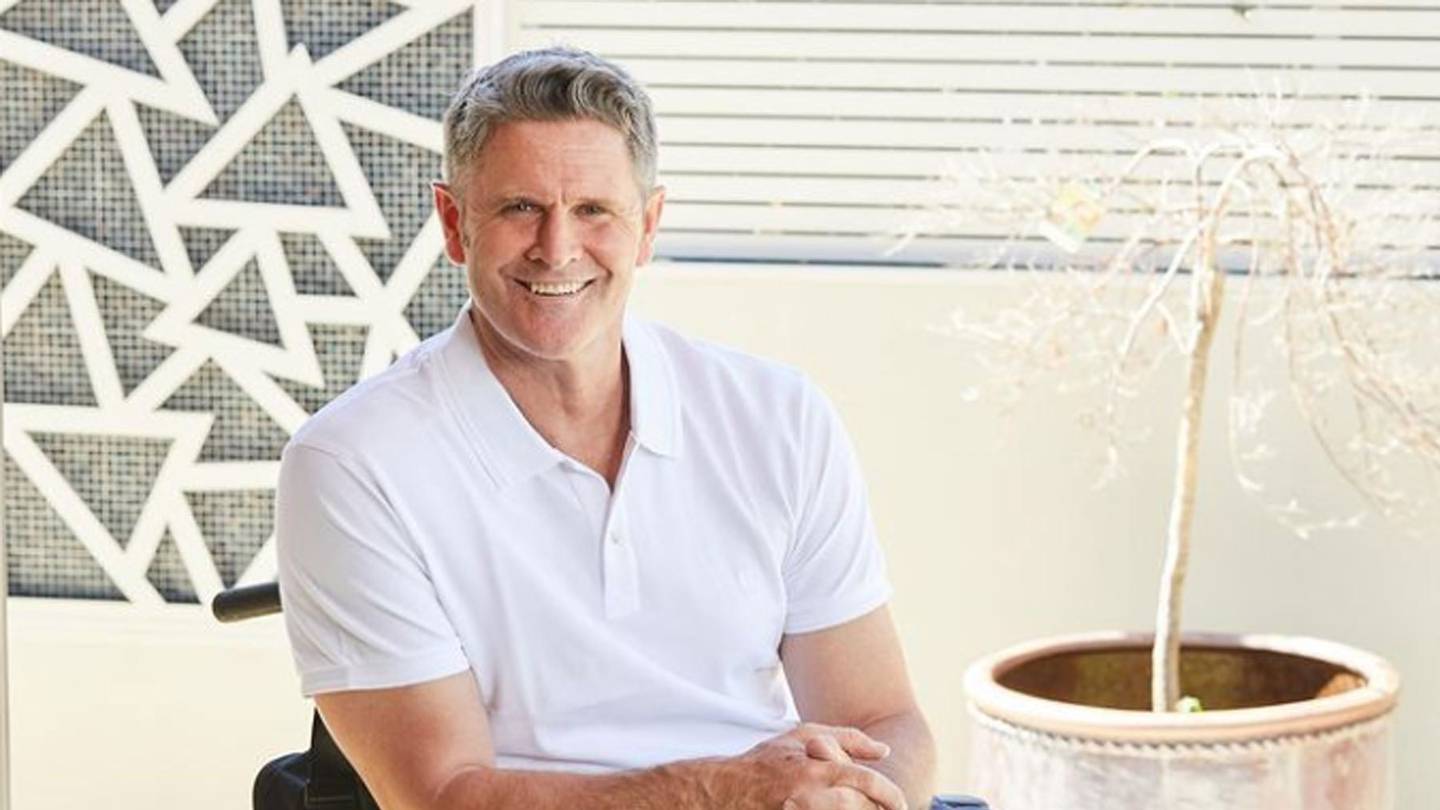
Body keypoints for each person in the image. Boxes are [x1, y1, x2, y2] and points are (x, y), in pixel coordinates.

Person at [275, 47, 937, 810]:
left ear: (647, 226)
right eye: (520, 208)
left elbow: (880, 721)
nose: (557, 249)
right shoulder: (352, 462)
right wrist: (721, 792)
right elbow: (442, 795)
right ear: (454, 224)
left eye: (593, 210)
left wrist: (860, 798)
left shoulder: (778, 417)